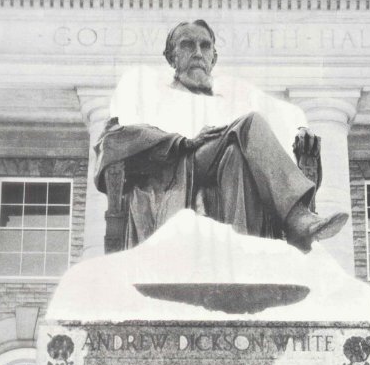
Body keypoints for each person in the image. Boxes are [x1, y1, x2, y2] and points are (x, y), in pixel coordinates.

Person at [94, 20, 348, 252]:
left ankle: (243, 254)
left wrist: (300, 131)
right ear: (171, 57)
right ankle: (296, 218)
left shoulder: (229, 100)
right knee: (250, 123)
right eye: (187, 45)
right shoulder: (151, 91)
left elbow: (285, 122)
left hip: (216, 165)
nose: (197, 52)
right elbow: (114, 137)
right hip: (173, 171)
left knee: (235, 155)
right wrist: (180, 143)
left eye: (205, 46)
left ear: (213, 58)